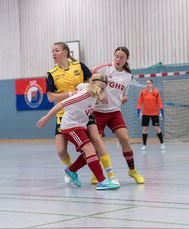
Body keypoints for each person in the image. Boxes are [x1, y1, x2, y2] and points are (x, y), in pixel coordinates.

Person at [46, 42, 119, 185]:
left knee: (96, 142)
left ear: (65, 52)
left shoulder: (79, 66)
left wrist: (100, 94)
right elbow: (50, 97)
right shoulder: (52, 74)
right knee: (61, 151)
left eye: (57, 50)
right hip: (65, 114)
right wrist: (71, 94)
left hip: (84, 112)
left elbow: (94, 82)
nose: (53, 53)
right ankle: (70, 169)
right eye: (52, 51)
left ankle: (110, 176)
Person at [37, 73, 119, 190]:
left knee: (90, 153)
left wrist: (99, 95)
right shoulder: (82, 95)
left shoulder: (90, 90)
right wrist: (46, 118)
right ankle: (102, 181)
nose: (100, 90)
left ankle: (70, 170)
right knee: (90, 150)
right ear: (93, 85)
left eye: (103, 88)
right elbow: (61, 104)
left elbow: (80, 85)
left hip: (80, 125)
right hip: (71, 127)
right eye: (99, 87)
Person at [92, 46, 145, 184]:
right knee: (97, 142)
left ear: (126, 59)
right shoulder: (105, 69)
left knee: (125, 138)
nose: (118, 59)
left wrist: (124, 98)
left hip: (114, 111)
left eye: (122, 57)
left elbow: (124, 93)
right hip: (97, 111)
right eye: (116, 56)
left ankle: (132, 170)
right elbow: (89, 82)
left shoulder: (128, 76)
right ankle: (96, 172)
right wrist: (99, 94)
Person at [137, 79, 165, 150]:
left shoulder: (156, 92)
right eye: (147, 83)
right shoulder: (142, 92)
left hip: (154, 114)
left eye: (149, 83)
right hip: (145, 114)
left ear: (152, 84)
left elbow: (159, 102)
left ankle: (162, 143)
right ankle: (144, 145)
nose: (148, 85)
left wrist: (161, 111)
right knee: (145, 129)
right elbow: (139, 102)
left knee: (157, 129)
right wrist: (138, 110)